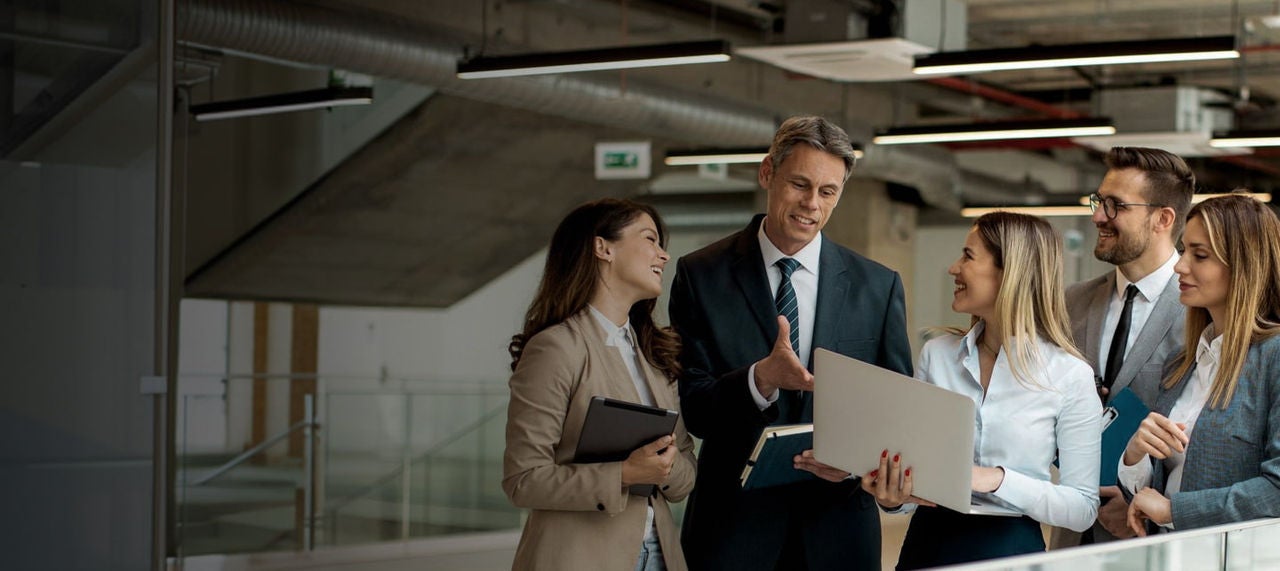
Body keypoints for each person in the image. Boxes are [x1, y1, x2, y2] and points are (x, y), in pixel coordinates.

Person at [669, 115, 912, 570]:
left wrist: (859, 461)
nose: (811, 205)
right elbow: (695, 407)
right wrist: (760, 379)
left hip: (839, 530)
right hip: (734, 530)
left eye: (828, 191)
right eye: (799, 184)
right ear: (767, 173)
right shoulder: (701, 274)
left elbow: (894, 409)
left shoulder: (877, 286)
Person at [848, 212, 1101, 569]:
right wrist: (893, 497)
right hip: (929, 544)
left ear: (1009, 270)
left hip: (1011, 552)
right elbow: (915, 475)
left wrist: (995, 479)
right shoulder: (937, 356)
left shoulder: (1070, 375)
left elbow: (1081, 508)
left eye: (968, 256)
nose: (953, 268)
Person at [503, 198, 697, 571]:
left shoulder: (655, 355)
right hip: (578, 557)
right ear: (603, 247)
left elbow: (686, 470)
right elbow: (522, 479)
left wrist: (665, 467)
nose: (664, 255)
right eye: (650, 239)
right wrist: (625, 474)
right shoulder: (556, 347)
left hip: (661, 555)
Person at [1051, 146, 1194, 548]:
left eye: (1116, 206)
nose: (1098, 216)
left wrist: (1137, 499)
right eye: (1099, 202)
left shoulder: (1202, 313)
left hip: (1152, 535)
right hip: (1070, 530)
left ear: (1162, 219)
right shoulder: (1072, 302)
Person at [1122, 194, 1280, 535]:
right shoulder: (1181, 363)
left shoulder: (1274, 357)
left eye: (1201, 255)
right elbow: (1164, 486)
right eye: (1184, 250)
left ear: (1244, 265)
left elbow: (1277, 489)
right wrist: (1135, 457)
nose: (1180, 266)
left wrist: (1174, 511)